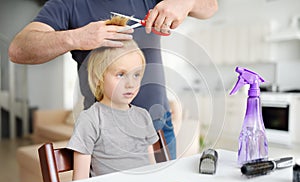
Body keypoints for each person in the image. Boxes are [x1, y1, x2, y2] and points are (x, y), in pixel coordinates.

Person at [8, 0, 218, 160]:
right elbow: (18, 50)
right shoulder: (67, 4)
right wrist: (77, 38)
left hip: (158, 126)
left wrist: (185, 2)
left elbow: (211, 6)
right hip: (105, 135)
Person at [68, 17, 159, 179]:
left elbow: (152, 169)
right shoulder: (90, 119)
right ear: (99, 77)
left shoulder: (143, 116)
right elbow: (79, 181)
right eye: (121, 74)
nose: (131, 84)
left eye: (136, 75)